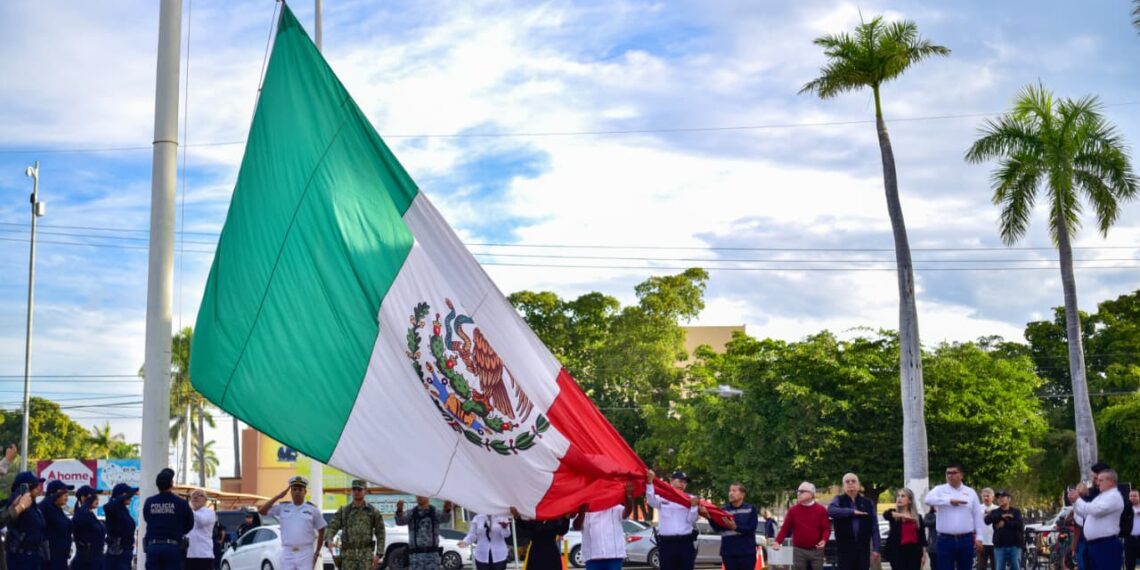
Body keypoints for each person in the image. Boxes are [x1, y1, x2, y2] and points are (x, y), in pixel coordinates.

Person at [924, 462, 985, 570]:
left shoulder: (970, 492)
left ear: (961, 475)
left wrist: (979, 537)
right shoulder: (940, 489)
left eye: (953, 473)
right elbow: (927, 500)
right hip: (945, 539)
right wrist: (948, 501)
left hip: (965, 539)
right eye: (948, 473)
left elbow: (977, 515)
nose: (950, 475)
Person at [259, 475, 327, 570]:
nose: (297, 492)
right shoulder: (283, 507)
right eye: (294, 489)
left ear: (305, 492)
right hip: (287, 552)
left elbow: (322, 529)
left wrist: (317, 552)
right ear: (291, 492)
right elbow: (262, 511)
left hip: (305, 553)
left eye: (300, 489)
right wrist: (278, 496)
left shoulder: (312, 510)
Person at [1068, 469, 1124, 570]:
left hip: (1105, 545)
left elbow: (1094, 510)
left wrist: (1078, 499)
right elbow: (1085, 513)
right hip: (1094, 545)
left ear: (1111, 481)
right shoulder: (1101, 496)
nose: (1097, 483)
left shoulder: (1114, 496)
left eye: (1101, 480)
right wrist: (1074, 501)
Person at [325, 480, 386, 570]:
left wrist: (379, 554)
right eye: (354, 489)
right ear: (351, 491)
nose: (356, 492)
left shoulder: (372, 512)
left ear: (365, 491)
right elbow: (332, 527)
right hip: (348, 557)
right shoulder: (344, 511)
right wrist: (329, 540)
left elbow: (380, 532)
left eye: (359, 489)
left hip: (366, 556)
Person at [572, 483, 635, 570]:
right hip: (592, 557)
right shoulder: (586, 507)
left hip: (614, 556)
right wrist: (582, 512)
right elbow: (576, 527)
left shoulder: (615, 507)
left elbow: (626, 512)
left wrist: (628, 497)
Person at [646, 470, 700, 570]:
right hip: (667, 544)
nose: (683, 484)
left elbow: (692, 520)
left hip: (685, 543)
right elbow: (650, 501)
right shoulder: (662, 497)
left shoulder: (690, 498)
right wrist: (649, 483)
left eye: (685, 482)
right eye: (680, 481)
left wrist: (693, 507)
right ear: (671, 481)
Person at [142, 468, 194, 570]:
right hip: (173, 547)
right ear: (172, 484)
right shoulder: (181, 503)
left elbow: (147, 518)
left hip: (153, 547)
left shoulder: (149, 502)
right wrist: (178, 530)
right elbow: (190, 524)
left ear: (157, 485)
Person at [827, 473, 881, 570]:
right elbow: (831, 511)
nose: (850, 483)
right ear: (843, 486)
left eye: (853, 481)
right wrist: (852, 512)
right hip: (844, 550)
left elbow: (874, 527)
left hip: (863, 550)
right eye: (847, 482)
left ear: (859, 485)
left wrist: (876, 548)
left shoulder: (868, 502)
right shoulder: (838, 500)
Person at [771, 482, 830, 570]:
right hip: (799, 550)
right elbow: (785, 528)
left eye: (802, 491)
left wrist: (824, 540)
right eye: (798, 491)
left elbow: (826, 528)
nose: (798, 494)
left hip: (817, 550)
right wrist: (777, 541)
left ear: (811, 494)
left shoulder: (821, 510)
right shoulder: (793, 510)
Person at [705, 482, 759, 570]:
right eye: (730, 491)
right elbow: (718, 528)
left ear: (742, 495)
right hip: (729, 552)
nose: (731, 493)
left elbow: (751, 529)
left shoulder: (750, 509)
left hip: (746, 553)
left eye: (734, 491)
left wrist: (735, 527)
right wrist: (709, 518)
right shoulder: (723, 510)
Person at [395, 496, 454, 570]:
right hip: (415, 557)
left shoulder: (434, 511)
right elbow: (400, 522)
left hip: (432, 556)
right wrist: (399, 511)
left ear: (427, 496)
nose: (419, 497)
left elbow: (445, 518)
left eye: (421, 495)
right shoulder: (412, 512)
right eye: (417, 495)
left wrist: (447, 510)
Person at [5, 471, 46, 570]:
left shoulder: (33, 505)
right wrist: (20, 505)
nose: (38, 488)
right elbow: (8, 516)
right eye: (35, 485)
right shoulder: (17, 502)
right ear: (25, 487)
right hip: (21, 558)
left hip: (34, 556)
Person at [880, 488, 927, 570]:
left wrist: (924, 554)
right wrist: (902, 515)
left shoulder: (917, 517)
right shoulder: (894, 514)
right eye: (898, 496)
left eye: (903, 496)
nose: (899, 498)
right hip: (898, 552)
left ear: (910, 500)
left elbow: (922, 537)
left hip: (914, 552)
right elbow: (886, 514)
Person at [41, 480, 76, 570]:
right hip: (50, 559)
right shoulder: (45, 507)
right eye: (64, 494)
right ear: (55, 494)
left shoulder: (58, 509)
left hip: (62, 557)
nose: (67, 498)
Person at [104, 483, 139, 570]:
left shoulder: (123, 510)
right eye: (128, 495)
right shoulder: (113, 508)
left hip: (126, 553)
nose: (131, 497)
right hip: (117, 553)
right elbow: (108, 506)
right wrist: (126, 495)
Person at [985, 490, 1023, 570]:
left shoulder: (1016, 511)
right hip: (999, 546)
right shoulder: (995, 512)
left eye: (1002, 497)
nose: (1000, 499)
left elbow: (1019, 524)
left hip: (1014, 546)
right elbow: (987, 520)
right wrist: (1002, 516)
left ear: (1009, 499)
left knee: (1016, 567)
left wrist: (1005, 524)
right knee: (999, 567)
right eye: (998, 498)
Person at [71, 485, 105, 570]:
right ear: (83, 498)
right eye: (94, 497)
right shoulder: (81, 514)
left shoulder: (90, 514)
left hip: (96, 559)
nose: (97, 500)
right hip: (86, 561)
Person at [185, 489, 217, 570]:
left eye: (200, 495)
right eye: (193, 495)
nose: (196, 497)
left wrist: (188, 509)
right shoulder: (187, 513)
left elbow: (202, 521)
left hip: (203, 555)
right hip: (188, 555)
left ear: (206, 500)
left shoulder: (209, 513)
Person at [978, 488, 997, 570]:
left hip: (995, 542)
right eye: (984, 496)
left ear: (992, 497)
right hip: (982, 542)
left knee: (996, 566)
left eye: (988, 496)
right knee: (981, 566)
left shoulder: (997, 509)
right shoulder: (977, 508)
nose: (986, 498)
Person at [1125, 490, 1139, 570]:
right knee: (1129, 565)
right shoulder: (1126, 509)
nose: (1133, 498)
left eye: (1135, 496)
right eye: (1131, 496)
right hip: (1130, 540)